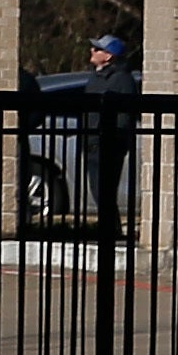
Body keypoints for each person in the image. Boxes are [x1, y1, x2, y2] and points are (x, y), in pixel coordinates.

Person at [66, 27, 140, 243]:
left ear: (108, 56)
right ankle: (109, 228)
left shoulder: (121, 80)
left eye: (98, 48)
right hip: (91, 142)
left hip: (108, 144)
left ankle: (110, 230)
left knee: (105, 190)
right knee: (98, 190)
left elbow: (125, 115)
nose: (92, 50)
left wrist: (112, 139)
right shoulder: (96, 78)